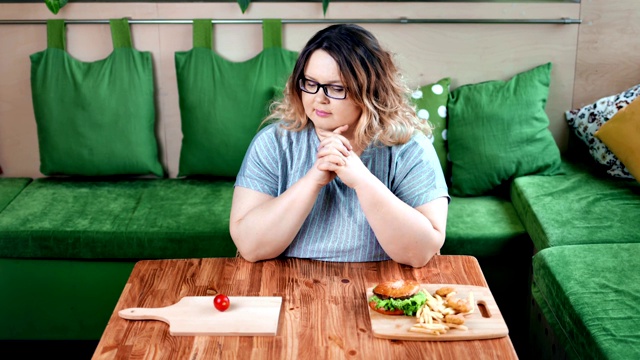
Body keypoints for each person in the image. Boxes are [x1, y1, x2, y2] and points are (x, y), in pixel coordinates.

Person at [229, 24, 449, 268]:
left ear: (370, 92)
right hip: (286, 286)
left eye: (336, 88)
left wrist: (361, 180)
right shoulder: (273, 143)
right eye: (310, 83)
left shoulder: (410, 148)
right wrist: (313, 179)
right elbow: (249, 246)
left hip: (384, 291)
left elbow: (421, 252)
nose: (319, 98)